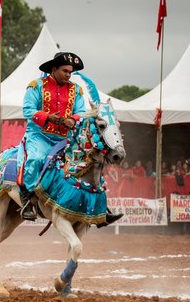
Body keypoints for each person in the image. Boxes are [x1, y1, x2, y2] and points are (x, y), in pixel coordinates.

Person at [19, 51, 122, 225]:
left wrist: (72, 119)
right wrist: (48, 117)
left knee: (91, 161)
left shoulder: (76, 90)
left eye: (70, 72)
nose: (68, 75)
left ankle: (101, 208)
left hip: (65, 138)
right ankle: (28, 200)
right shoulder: (36, 86)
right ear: (54, 69)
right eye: (65, 71)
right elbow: (27, 110)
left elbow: (81, 111)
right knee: (36, 159)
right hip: (39, 136)